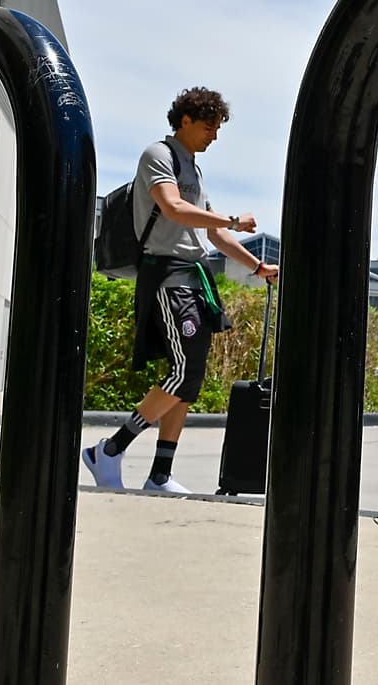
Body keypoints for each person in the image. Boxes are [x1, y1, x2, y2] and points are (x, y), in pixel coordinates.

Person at [82, 87, 279, 493]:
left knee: (190, 379)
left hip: (193, 277)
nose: (215, 136)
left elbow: (213, 234)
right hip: (167, 276)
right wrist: (232, 219)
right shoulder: (159, 155)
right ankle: (110, 450)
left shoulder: (194, 169)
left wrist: (258, 267)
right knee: (185, 371)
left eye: (218, 128)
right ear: (185, 121)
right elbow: (173, 208)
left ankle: (159, 475)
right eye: (209, 127)